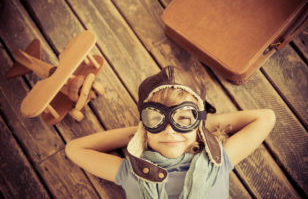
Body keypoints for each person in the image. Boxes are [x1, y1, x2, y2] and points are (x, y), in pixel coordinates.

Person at [65, 66, 276, 199]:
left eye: (183, 118)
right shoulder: (132, 171)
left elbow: (266, 118)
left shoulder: (217, 162)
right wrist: (142, 130)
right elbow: (74, 149)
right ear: (144, 127)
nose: (169, 129)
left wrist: (200, 123)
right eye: (155, 119)